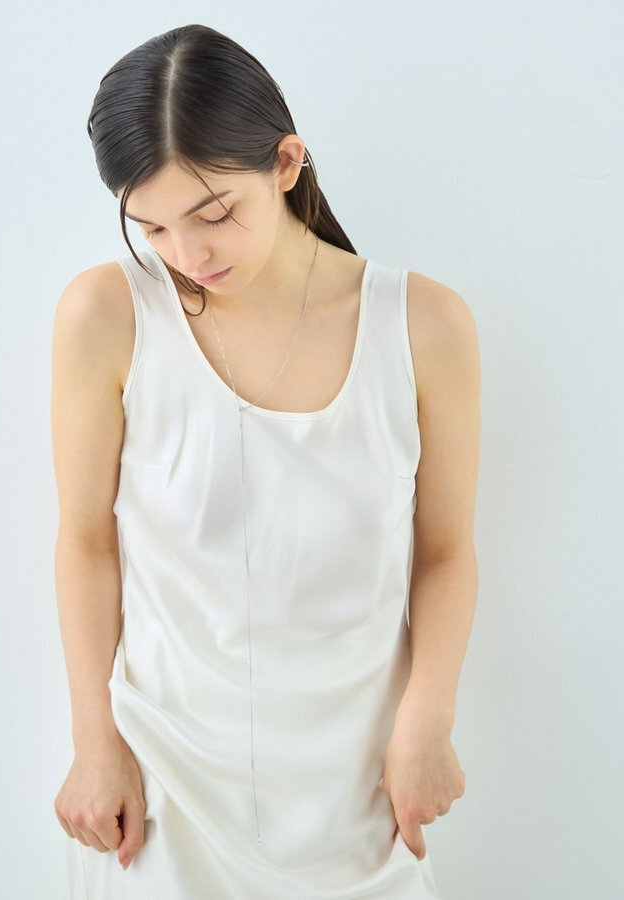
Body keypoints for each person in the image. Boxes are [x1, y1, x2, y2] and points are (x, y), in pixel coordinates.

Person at [51, 23, 479, 900]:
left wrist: (428, 722)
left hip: (360, 794)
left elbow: (445, 550)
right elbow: (85, 541)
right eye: (152, 225)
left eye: (213, 215)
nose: (188, 256)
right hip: (163, 795)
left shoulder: (424, 325)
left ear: (286, 163)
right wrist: (94, 743)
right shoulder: (107, 315)